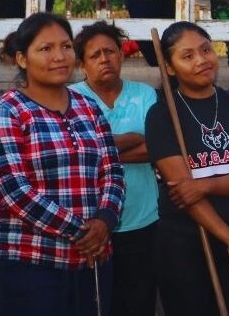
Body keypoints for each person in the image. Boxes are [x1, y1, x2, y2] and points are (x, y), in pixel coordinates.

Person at [0, 13, 124, 316]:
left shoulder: (88, 107)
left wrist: (105, 220)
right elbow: (15, 192)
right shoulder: (6, 113)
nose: (59, 57)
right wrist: (84, 232)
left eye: (66, 46)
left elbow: (112, 170)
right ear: (22, 59)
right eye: (45, 49)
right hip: (31, 266)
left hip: (91, 263)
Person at [146, 22, 229, 316]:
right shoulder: (162, 114)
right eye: (187, 56)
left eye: (206, 50)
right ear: (169, 68)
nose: (201, 60)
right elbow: (183, 192)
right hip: (184, 243)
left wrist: (206, 185)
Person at [69, 22, 159, 316]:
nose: (104, 59)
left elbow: (157, 149)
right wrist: (133, 139)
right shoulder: (71, 98)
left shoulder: (144, 94)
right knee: (94, 304)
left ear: (121, 55)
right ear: (82, 64)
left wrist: (99, 148)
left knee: (136, 302)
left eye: (110, 51)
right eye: (94, 55)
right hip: (89, 222)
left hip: (141, 218)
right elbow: (73, 154)